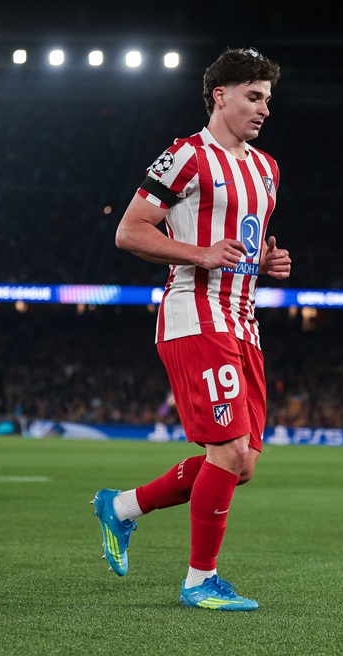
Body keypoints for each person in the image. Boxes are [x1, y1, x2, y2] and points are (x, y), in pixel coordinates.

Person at [91, 46, 291, 612]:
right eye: (254, 97)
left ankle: (122, 507)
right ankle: (200, 580)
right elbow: (130, 232)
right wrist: (198, 252)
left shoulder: (266, 169)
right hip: (194, 314)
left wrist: (268, 263)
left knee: (242, 463)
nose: (264, 110)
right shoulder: (186, 156)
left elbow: (242, 247)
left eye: (269, 100)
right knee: (226, 451)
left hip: (243, 321)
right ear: (219, 96)